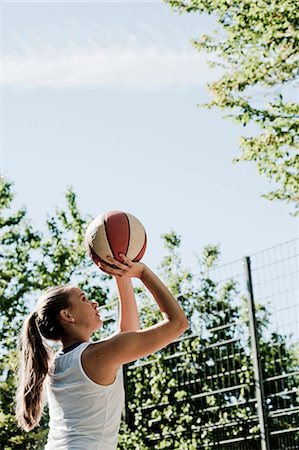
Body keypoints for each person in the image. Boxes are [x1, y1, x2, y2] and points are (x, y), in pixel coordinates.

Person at [15, 253, 190, 449]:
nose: (94, 303)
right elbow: (178, 323)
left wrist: (121, 274)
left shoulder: (60, 362)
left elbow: (127, 333)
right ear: (67, 315)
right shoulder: (94, 356)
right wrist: (141, 272)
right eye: (84, 299)